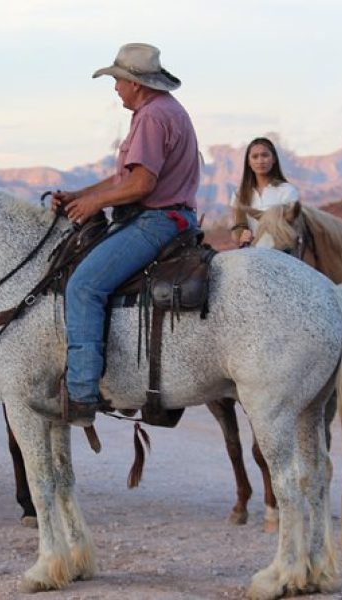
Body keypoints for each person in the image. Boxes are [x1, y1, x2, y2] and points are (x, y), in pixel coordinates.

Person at [51, 43, 201, 426]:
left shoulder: (152, 117)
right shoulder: (164, 110)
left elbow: (141, 185)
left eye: (118, 80)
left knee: (84, 285)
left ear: (136, 83)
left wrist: (92, 205)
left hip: (156, 220)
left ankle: (81, 392)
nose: (115, 87)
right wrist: (82, 195)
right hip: (173, 218)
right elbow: (126, 176)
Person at [231, 137, 299, 247]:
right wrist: (241, 236)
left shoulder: (287, 191)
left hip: (281, 253)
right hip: (252, 255)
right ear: (248, 161)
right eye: (255, 157)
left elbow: (294, 228)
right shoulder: (239, 194)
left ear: (274, 159)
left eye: (265, 155)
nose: (260, 160)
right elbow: (237, 228)